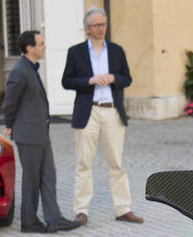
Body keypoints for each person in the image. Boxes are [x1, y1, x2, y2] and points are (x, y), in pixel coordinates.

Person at [61, 6, 143, 225]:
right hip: (88, 111)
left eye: (103, 24)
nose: (101, 29)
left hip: (112, 111)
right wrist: (89, 81)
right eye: (97, 25)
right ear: (87, 28)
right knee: (83, 163)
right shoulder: (75, 52)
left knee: (116, 162)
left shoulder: (116, 50)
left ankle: (123, 208)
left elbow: (127, 78)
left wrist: (113, 78)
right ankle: (81, 211)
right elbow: (66, 81)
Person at [3, 30, 81, 233]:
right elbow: (9, 103)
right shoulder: (20, 71)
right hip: (28, 134)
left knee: (48, 176)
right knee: (31, 178)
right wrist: (10, 124)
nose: (44, 46)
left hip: (40, 132)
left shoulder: (31, 68)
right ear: (29, 48)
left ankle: (54, 218)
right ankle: (28, 222)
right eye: (40, 43)